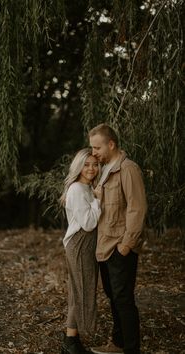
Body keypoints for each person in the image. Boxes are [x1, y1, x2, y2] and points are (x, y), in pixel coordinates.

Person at [88, 123, 147, 354]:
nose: (94, 152)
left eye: (97, 147)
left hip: (119, 246)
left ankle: (131, 349)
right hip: (105, 245)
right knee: (113, 297)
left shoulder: (128, 169)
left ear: (111, 144)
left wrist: (127, 244)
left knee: (123, 300)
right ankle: (118, 343)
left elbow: (137, 208)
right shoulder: (104, 170)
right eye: (92, 147)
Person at [60, 148, 102, 354]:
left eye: (95, 164)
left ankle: (70, 340)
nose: (91, 168)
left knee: (78, 291)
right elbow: (88, 223)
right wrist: (98, 200)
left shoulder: (88, 187)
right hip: (79, 243)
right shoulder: (77, 189)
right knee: (82, 289)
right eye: (86, 165)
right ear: (78, 166)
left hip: (85, 244)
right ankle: (70, 342)